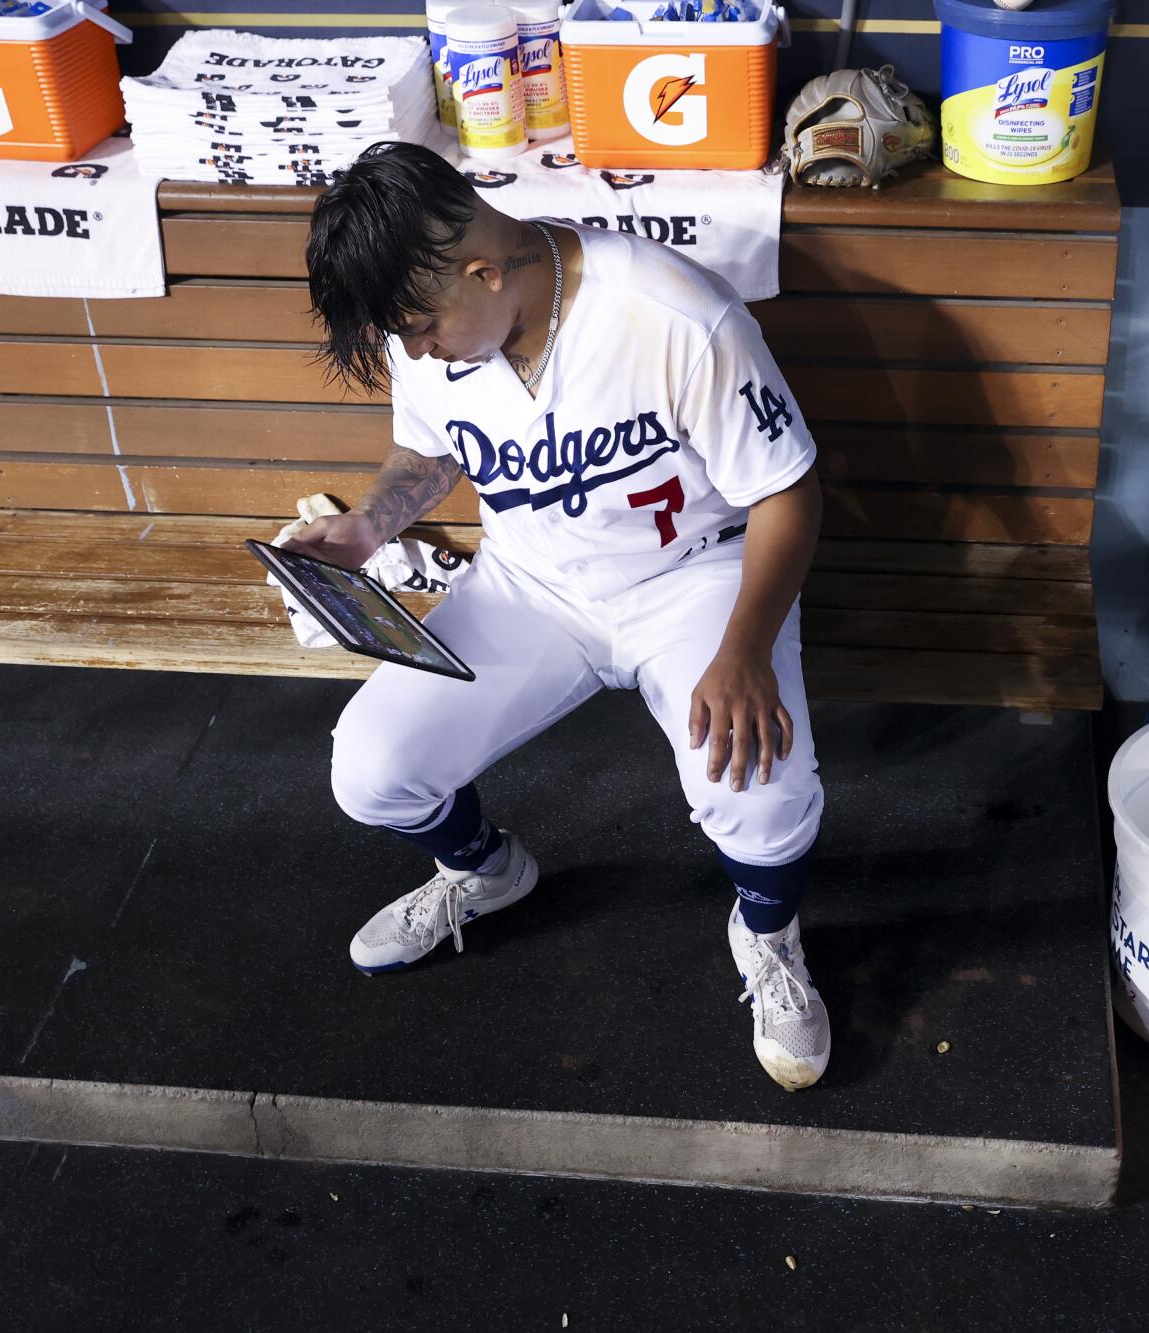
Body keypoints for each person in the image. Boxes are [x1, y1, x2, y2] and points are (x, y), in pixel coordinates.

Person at [283, 142, 829, 1091]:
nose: (415, 349)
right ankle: (487, 872)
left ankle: (769, 932)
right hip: (533, 586)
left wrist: (744, 649)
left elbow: (791, 492)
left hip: (693, 581)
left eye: (419, 326)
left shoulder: (670, 310)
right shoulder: (441, 325)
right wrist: (370, 524)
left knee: (758, 785)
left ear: (484, 270)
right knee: (371, 767)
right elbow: (428, 453)